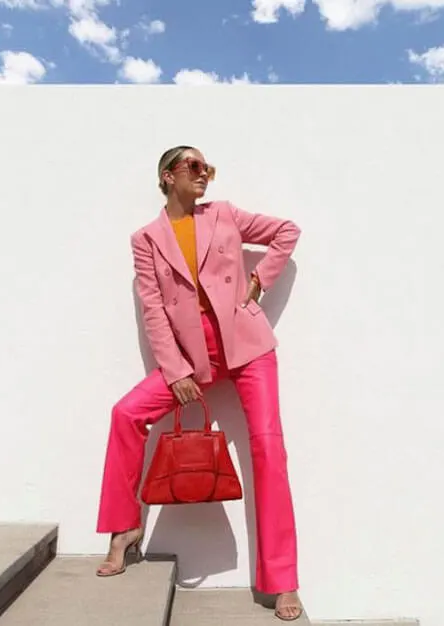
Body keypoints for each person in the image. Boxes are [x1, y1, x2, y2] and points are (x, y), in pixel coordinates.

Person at [95, 145, 303, 621]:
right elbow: (153, 308)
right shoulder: (146, 239)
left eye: (207, 168)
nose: (203, 175)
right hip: (192, 355)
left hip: (248, 347)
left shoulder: (225, 214)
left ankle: (282, 577)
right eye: (193, 167)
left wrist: (258, 281)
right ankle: (124, 530)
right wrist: (177, 370)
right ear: (167, 176)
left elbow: (287, 232)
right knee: (126, 414)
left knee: (269, 448)